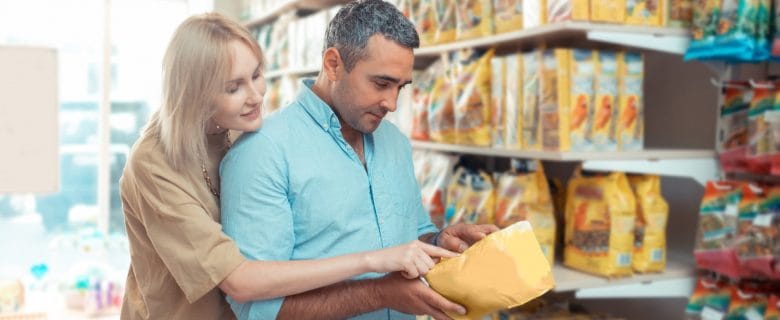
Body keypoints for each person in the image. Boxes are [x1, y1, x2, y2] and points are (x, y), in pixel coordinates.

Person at [119, 12, 459, 320]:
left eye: (256, 75)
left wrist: (441, 240)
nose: (255, 96)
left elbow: (406, 231)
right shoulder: (157, 163)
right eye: (233, 86)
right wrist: (374, 264)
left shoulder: (237, 127)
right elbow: (241, 282)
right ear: (194, 92)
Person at [219, 1, 499, 319]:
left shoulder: (394, 142)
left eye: (401, 87)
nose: (392, 104)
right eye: (381, 83)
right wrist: (379, 295)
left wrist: (438, 240)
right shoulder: (262, 152)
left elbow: (410, 233)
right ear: (334, 64)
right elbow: (256, 308)